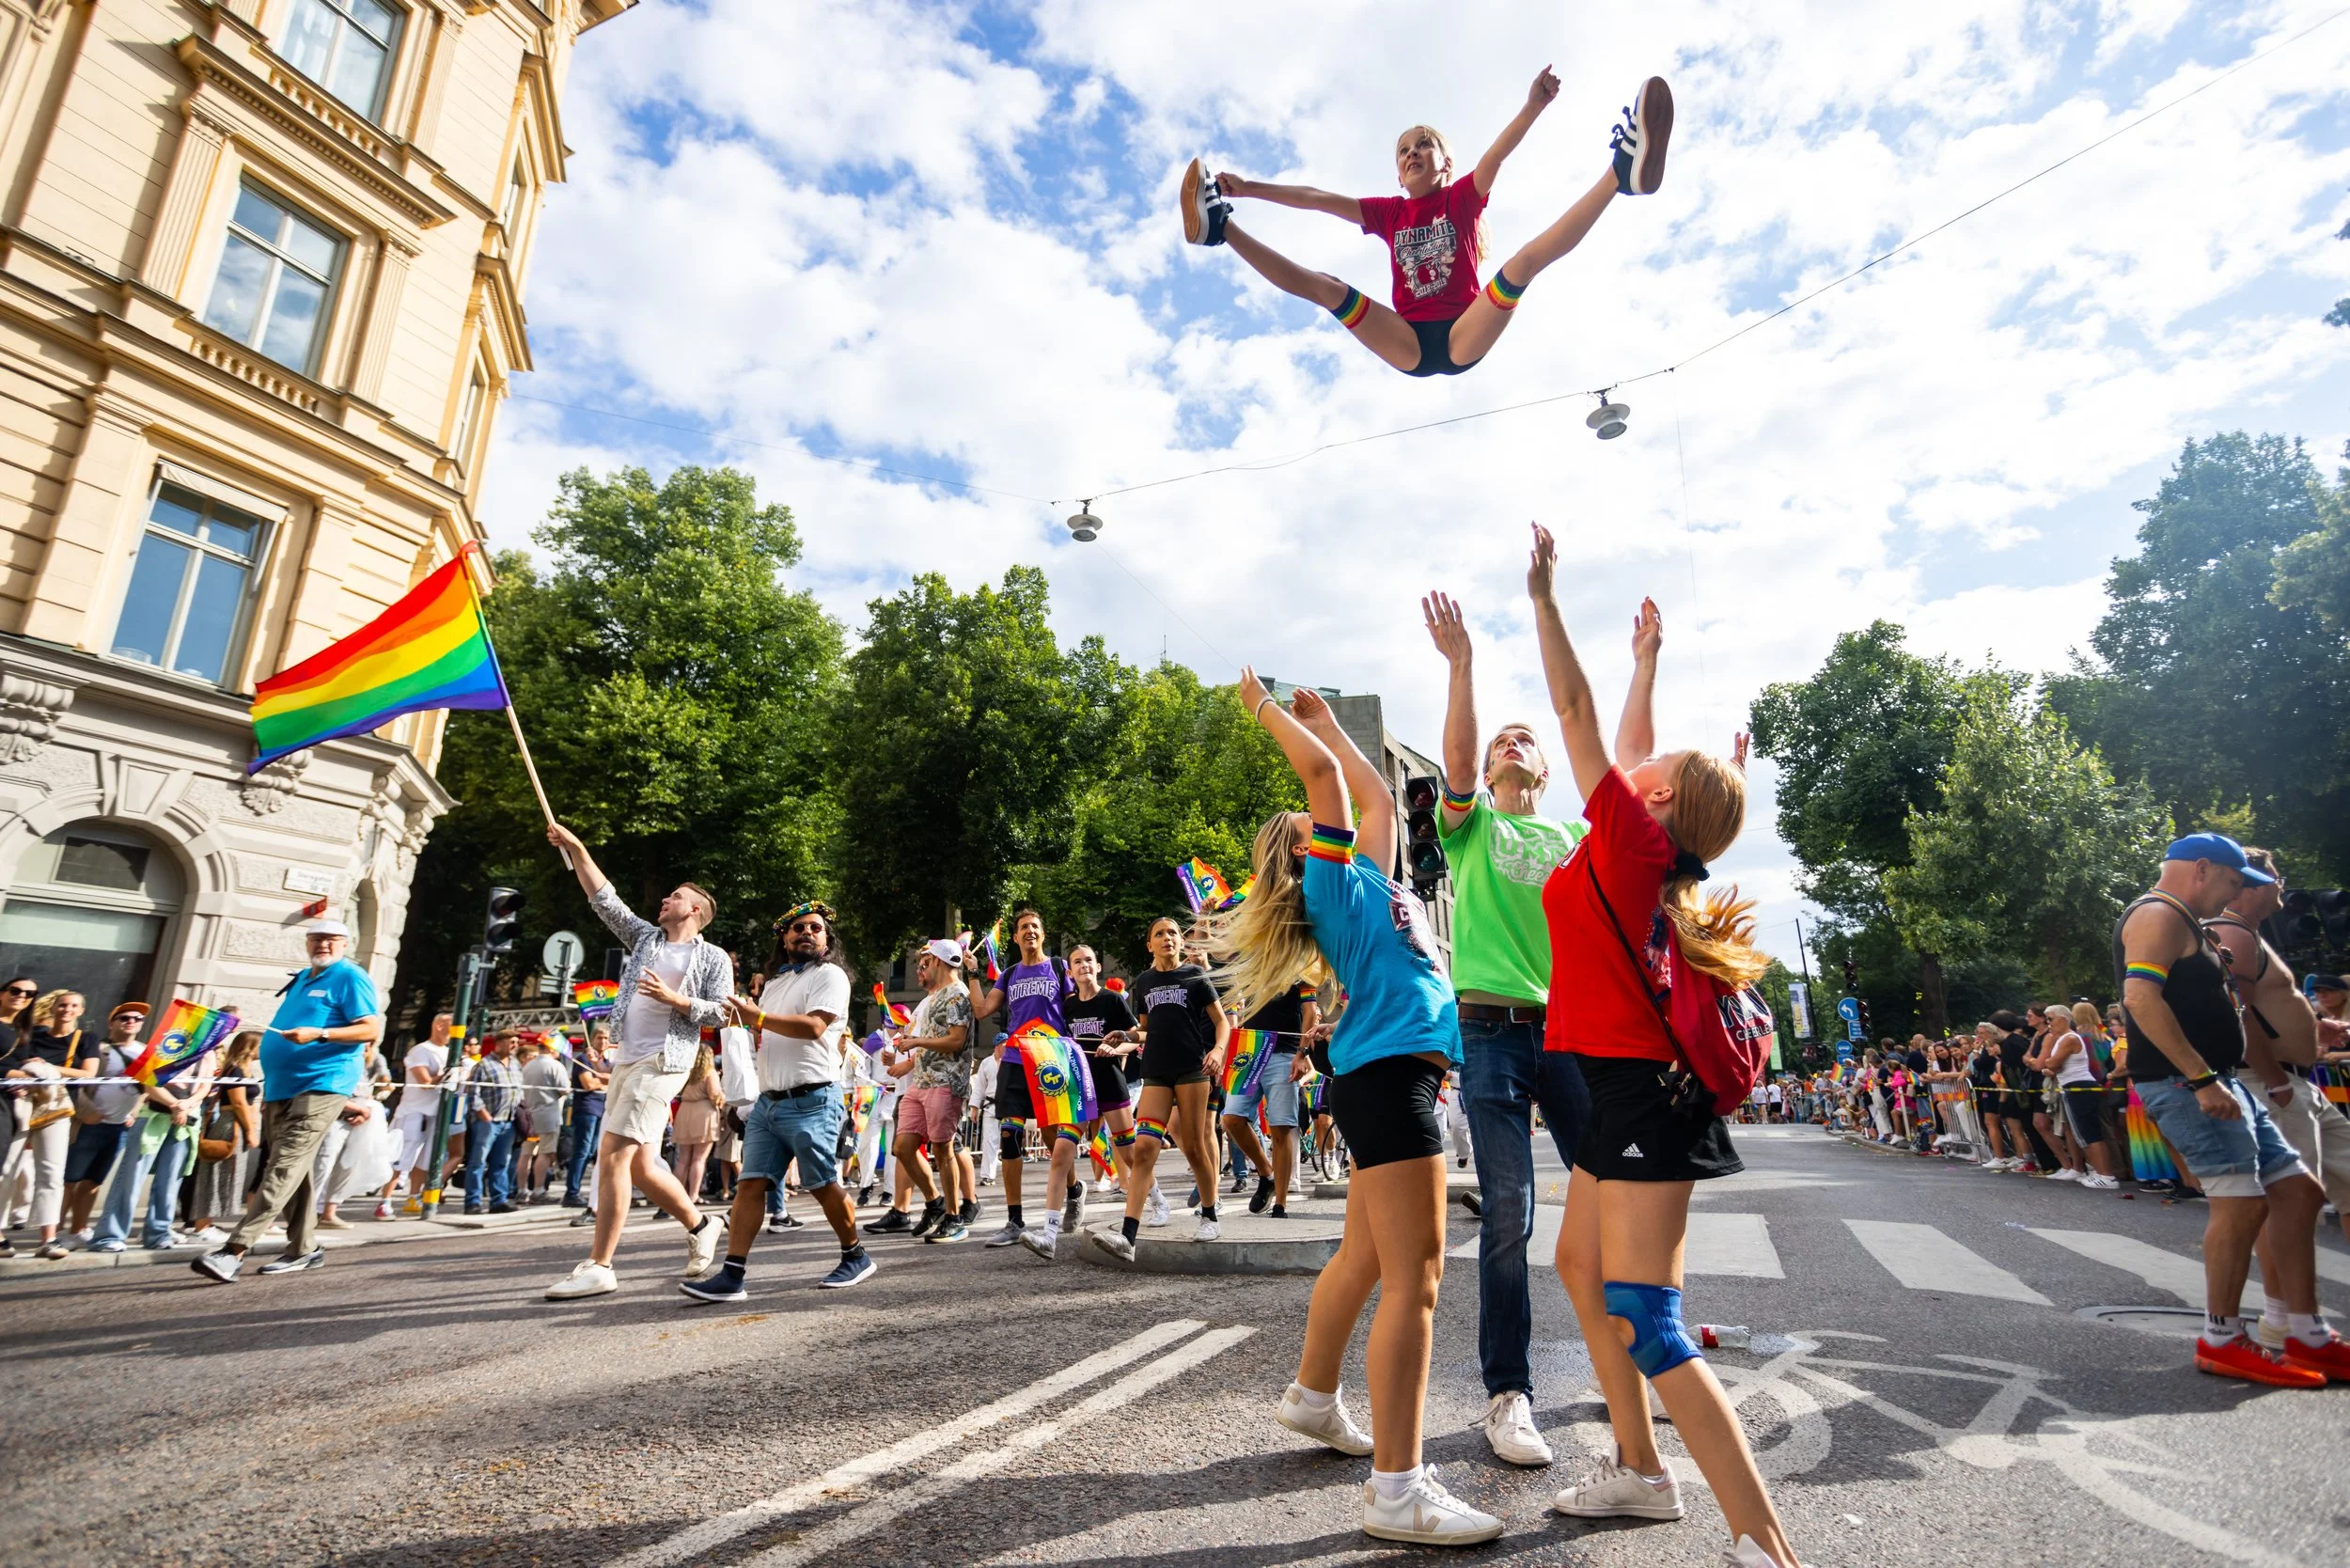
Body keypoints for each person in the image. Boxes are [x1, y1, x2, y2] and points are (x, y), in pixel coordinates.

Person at [1524, 525, 1800, 1568]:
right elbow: (1629, 742)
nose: (1645, 759)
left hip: (1640, 1098)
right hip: (1610, 1089)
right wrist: (1647, 661)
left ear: (1654, 802)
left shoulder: (1633, 846)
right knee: (1580, 1266)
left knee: (1644, 1313)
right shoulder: (1637, 845)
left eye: (1659, 765)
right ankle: (1639, 1473)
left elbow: (1578, 717)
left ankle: (1763, 1546)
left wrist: (1544, 600)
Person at [1186, 670, 1496, 1546]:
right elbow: (1324, 782)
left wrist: (1332, 725)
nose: (1319, 816)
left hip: (1393, 1073)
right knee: (1418, 1281)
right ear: (1298, 854)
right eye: (1303, 824)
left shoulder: (1374, 881)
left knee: (1364, 1257)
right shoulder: (1329, 886)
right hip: (1390, 1076)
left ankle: (1312, 1395)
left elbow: (1370, 796)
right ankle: (1399, 1489)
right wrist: (1264, 708)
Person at [1426, 588, 1666, 1467]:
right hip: (1490, 1032)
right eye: (1500, 743)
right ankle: (1508, 1394)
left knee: (1618, 1203)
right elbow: (1454, 755)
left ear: (1546, 769)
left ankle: (1637, 1366)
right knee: (1511, 1216)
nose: (1511, 743)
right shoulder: (1473, 826)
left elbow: (1632, 767)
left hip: (1571, 1031)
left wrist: (1642, 666)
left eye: (1524, 738)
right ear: (1487, 776)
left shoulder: (1572, 833)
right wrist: (1463, 667)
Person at [1180, 71, 1671, 380]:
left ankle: (1620, 175)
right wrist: (1251, 188)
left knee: (1522, 263)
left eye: (1423, 145)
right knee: (1327, 287)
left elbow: (1496, 157)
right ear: (1398, 172)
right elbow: (1318, 199)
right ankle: (1220, 227)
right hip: (1408, 340)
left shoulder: (1462, 198)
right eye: (1403, 150)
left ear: (1445, 164)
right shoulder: (1390, 213)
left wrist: (1532, 108)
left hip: (1462, 333)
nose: (1412, 152)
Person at [2116, 832, 2339, 1386]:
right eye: (2234, 881)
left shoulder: (2185, 919)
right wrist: (2200, 1078)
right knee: (2240, 1205)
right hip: (2188, 1083)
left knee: (2300, 1189)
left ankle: (2306, 1335)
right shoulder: (2157, 914)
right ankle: (2221, 1338)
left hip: (2215, 1082)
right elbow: (2139, 999)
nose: (2236, 894)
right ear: (2201, 869)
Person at [540, 823, 729, 1300]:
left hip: (664, 1061)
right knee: (644, 1164)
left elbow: (724, 1012)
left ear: (696, 910)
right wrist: (576, 848)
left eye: (675, 896)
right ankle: (702, 1223)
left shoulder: (713, 957)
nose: (665, 900)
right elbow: (605, 899)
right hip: (626, 1059)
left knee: (614, 1155)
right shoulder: (647, 940)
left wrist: (676, 999)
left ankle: (600, 1264)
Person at [684, 900, 873, 1299]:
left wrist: (759, 1018)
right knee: (750, 1186)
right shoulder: (774, 983)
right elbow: (764, 1041)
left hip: (813, 1100)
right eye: (798, 928)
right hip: (768, 1104)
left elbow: (814, 1027)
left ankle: (855, 1256)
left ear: (827, 938)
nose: (807, 932)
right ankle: (732, 1274)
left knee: (822, 1185)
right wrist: (746, 1096)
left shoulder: (831, 976)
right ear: (784, 938)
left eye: (816, 928)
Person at [2212, 850, 2350, 1364]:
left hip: (2296, 1082)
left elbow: (2263, 1011)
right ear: (2249, 882)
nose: (2282, 886)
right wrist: (2273, 1080)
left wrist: (2313, 1028)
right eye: (2276, 878)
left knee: (2320, 1192)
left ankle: (2290, 1320)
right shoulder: (2233, 933)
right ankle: (2282, 1321)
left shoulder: (2248, 933)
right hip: (2276, 1085)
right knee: (2291, 1203)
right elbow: (2237, 1012)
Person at [192, 920, 384, 1283]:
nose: (322, 944)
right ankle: (304, 1249)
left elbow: (370, 1029)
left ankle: (233, 1251)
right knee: (296, 1171)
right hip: (281, 1088)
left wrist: (321, 1033)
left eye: (330, 939)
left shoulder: (350, 976)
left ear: (345, 943)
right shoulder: (302, 978)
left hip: (321, 1085)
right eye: (315, 938)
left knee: (282, 1166)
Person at [1103, 916, 1233, 1248]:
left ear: (1180, 941)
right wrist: (1127, 1034)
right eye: (1159, 934)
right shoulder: (1144, 981)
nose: (1167, 938)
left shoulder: (1195, 975)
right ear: (1151, 945)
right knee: (1144, 1148)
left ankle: (1209, 1214)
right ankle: (1128, 1237)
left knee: (1193, 1146)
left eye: (1173, 933)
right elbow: (1147, 1028)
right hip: (1156, 1072)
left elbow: (1223, 1023)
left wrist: (1218, 1051)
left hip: (1192, 1069)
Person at [969, 908, 1077, 1248]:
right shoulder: (1010, 973)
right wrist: (972, 974)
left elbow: (1077, 1009)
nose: (1029, 931)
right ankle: (1015, 1220)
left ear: (1043, 934)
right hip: (1016, 1060)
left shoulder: (1059, 968)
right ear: (1015, 938)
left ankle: (1074, 1191)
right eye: (1023, 928)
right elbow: (982, 1010)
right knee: (1009, 1135)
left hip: (1051, 1061)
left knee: (1051, 1138)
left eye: (1035, 926)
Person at [883, 939, 978, 1243]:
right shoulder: (934, 997)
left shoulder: (958, 995)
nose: (923, 967)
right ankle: (935, 1202)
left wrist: (916, 1043)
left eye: (926, 962)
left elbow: (955, 1041)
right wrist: (909, 1054)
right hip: (922, 1082)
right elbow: (927, 1038)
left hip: (946, 1081)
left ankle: (954, 1217)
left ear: (938, 961)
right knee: (903, 1148)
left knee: (943, 1149)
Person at [91, 1028, 216, 1252]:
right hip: (153, 1117)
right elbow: (149, 1083)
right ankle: (109, 1235)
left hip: (186, 1121)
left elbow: (205, 1086)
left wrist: (187, 1105)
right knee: (130, 1178)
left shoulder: (208, 1053)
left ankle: (158, 1233)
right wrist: (175, 1105)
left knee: (170, 1180)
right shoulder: (165, 1046)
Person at [3, 989, 99, 1259]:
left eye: (73, 1006)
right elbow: (16, 1062)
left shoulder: (85, 1039)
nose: (67, 1009)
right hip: (21, 1104)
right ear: (53, 1008)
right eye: (62, 1005)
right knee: (7, 1169)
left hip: (56, 1109)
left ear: (80, 1011)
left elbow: (89, 1073)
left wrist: (48, 1068)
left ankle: (48, 1238)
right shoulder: (33, 1034)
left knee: (52, 1174)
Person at [1220, 982, 1320, 1223]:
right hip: (1250, 1051)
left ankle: (1280, 1203)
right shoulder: (1249, 969)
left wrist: (1302, 1053)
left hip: (1285, 1054)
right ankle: (1267, 1174)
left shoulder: (1301, 974)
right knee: (1231, 1119)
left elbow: (1309, 1013)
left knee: (1280, 1129)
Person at [62, 1001, 150, 1242]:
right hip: (90, 1123)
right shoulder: (98, 1049)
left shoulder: (145, 1052)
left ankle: (78, 1229)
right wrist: (86, 1112)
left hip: (120, 1126)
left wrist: (135, 1111)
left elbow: (146, 1087)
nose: (131, 1021)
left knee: (94, 1180)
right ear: (111, 1022)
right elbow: (76, 1086)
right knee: (70, 1179)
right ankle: (56, 1232)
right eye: (124, 1017)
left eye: (137, 1018)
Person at [1063, 946, 1139, 1199]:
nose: (1084, 965)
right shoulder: (1068, 1007)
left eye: (1088, 960)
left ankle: (1156, 1197)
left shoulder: (1112, 999)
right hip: (1079, 1086)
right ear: (1070, 971)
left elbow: (1136, 1037)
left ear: (1098, 967)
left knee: (1128, 1152)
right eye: (1077, 962)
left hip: (1109, 1080)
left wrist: (1115, 1048)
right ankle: (1056, 1218)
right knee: (1062, 1150)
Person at [185, 1031, 261, 1242]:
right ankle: (202, 1226)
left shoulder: (244, 1070)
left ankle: (206, 1223)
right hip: (231, 1125)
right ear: (250, 1047)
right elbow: (238, 1103)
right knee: (215, 1174)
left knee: (225, 1176)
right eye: (260, 1046)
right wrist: (250, 1131)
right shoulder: (235, 1069)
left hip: (237, 1124)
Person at [459, 1031, 521, 1215]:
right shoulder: (484, 1064)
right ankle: (473, 1202)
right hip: (488, 1120)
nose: (515, 1045)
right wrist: (483, 1113)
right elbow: (473, 1092)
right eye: (512, 1042)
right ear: (499, 1043)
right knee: (478, 1161)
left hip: (509, 1120)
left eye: (516, 1042)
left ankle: (499, 1200)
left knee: (501, 1161)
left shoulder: (515, 1064)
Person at [668, 1040, 726, 1208]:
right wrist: (723, 1098)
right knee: (699, 1159)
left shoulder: (686, 1072)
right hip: (703, 1113)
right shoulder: (710, 1073)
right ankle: (693, 1195)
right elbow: (715, 1096)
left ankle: (676, 1196)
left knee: (683, 1159)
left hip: (685, 1111)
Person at [517, 1035, 570, 1200]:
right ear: (552, 1049)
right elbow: (565, 1089)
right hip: (548, 1113)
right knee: (545, 1153)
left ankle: (521, 1190)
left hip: (528, 1115)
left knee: (526, 1154)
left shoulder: (527, 1066)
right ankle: (539, 1190)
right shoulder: (555, 1065)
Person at [565, 1027, 611, 1210]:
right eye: (599, 1038)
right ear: (592, 1039)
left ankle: (577, 1191)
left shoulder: (606, 1061)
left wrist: (605, 1081)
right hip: (587, 1108)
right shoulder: (583, 1059)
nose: (603, 1042)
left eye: (606, 1038)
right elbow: (589, 1084)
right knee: (582, 1151)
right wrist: (606, 1082)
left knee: (592, 1151)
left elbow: (613, 1081)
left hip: (602, 1109)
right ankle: (572, 1192)